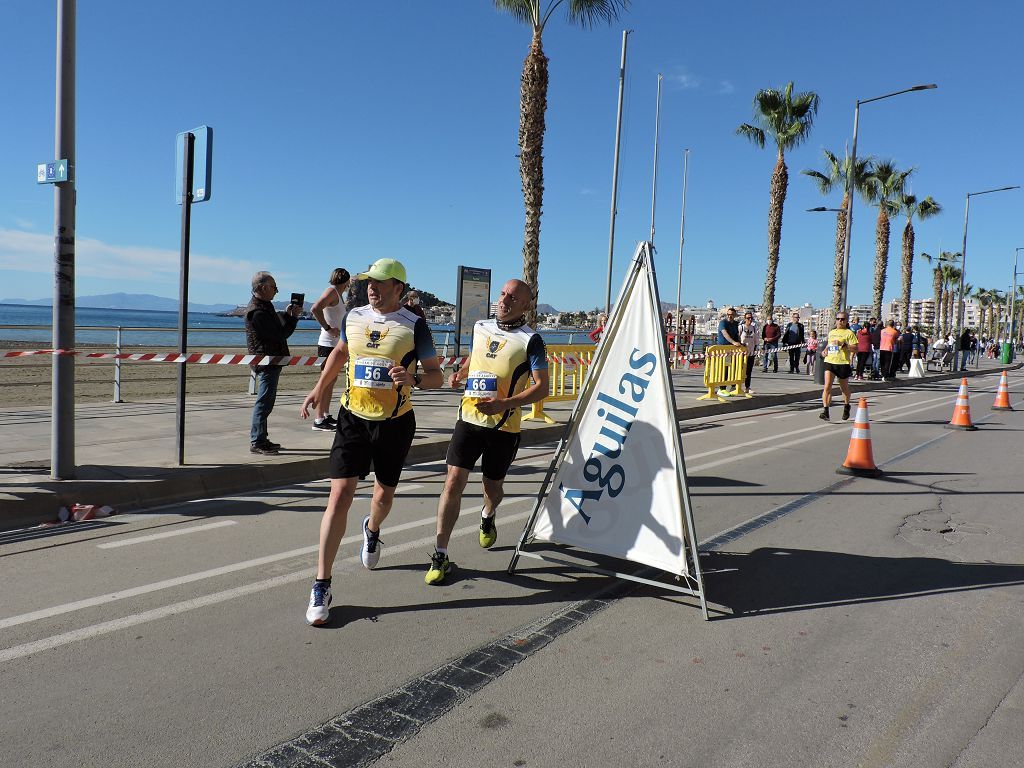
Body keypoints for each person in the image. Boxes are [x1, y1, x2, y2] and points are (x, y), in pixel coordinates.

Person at [300, 258, 443, 626]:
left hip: (394, 424)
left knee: (382, 497)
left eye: (379, 283)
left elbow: (436, 378)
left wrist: (411, 380)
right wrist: (319, 389)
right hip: (353, 418)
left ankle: (373, 529)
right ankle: (322, 583)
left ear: (399, 287)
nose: (371, 288)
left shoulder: (416, 326)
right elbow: (341, 353)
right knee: (341, 493)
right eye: (367, 283)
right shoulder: (353, 316)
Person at [426, 279, 550, 585]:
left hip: (503, 427)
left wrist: (504, 403)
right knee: (453, 481)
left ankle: (488, 514)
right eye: (503, 294)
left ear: (526, 305)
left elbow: (541, 387)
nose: (505, 300)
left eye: (513, 297)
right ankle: (440, 554)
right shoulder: (480, 326)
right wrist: (461, 373)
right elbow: (475, 360)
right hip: (468, 419)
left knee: (492, 489)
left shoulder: (531, 340)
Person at [246, 271, 301, 454]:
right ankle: (257, 440)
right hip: (266, 361)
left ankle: (261, 438)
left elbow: (276, 329)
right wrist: (293, 319)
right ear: (263, 288)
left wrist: (286, 315)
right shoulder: (257, 311)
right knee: (264, 401)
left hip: (271, 359)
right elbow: (279, 335)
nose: (276, 292)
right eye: (274, 287)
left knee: (267, 401)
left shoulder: (264, 307)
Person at [309, 267, 351, 431]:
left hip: (334, 344)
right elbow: (315, 308)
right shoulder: (332, 292)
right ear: (346, 281)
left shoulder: (337, 294)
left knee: (331, 380)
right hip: (327, 343)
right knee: (325, 381)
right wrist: (328, 328)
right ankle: (319, 419)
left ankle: (325, 414)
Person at [820, 312, 857, 421]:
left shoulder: (849, 333)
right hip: (830, 361)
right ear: (835, 320)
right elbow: (829, 344)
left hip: (843, 363)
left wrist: (843, 344)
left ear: (846, 321)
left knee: (844, 388)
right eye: (838, 319)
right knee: (827, 387)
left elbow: (855, 348)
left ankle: (846, 406)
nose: (840, 321)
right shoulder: (832, 332)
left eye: (843, 319)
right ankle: (825, 411)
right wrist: (825, 351)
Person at [716, 307, 743, 388]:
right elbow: (725, 334)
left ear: (734, 315)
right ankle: (722, 388)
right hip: (724, 349)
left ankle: (733, 386)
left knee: (735, 366)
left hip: (733, 350)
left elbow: (737, 335)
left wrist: (740, 343)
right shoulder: (723, 323)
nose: (729, 316)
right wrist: (733, 342)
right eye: (728, 314)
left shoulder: (735, 324)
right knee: (725, 367)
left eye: (731, 315)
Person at [738, 310, 759, 394]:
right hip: (741, 353)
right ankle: (736, 386)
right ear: (745, 318)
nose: (749, 320)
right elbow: (738, 338)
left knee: (748, 371)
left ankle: (747, 387)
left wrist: (756, 349)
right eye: (748, 318)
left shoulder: (753, 328)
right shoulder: (741, 327)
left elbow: (756, 340)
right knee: (739, 369)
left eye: (751, 318)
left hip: (751, 352)